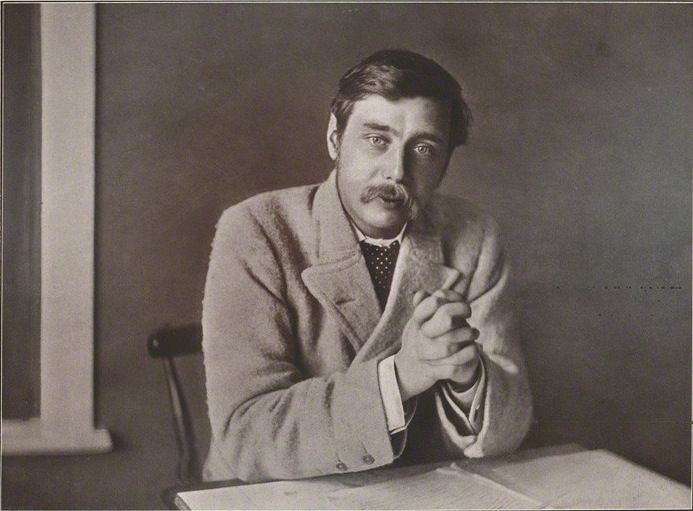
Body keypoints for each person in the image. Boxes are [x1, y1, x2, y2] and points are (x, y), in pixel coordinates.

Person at [202, 49, 532, 483]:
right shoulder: (256, 229)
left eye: (424, 148)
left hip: (415, 492)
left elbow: (510, 429)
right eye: (377, 139)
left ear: (446, 163)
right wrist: (403, 375)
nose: (397, 171)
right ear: (334, 139)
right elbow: (247, 435)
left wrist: (468, 377)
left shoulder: (474, 236)